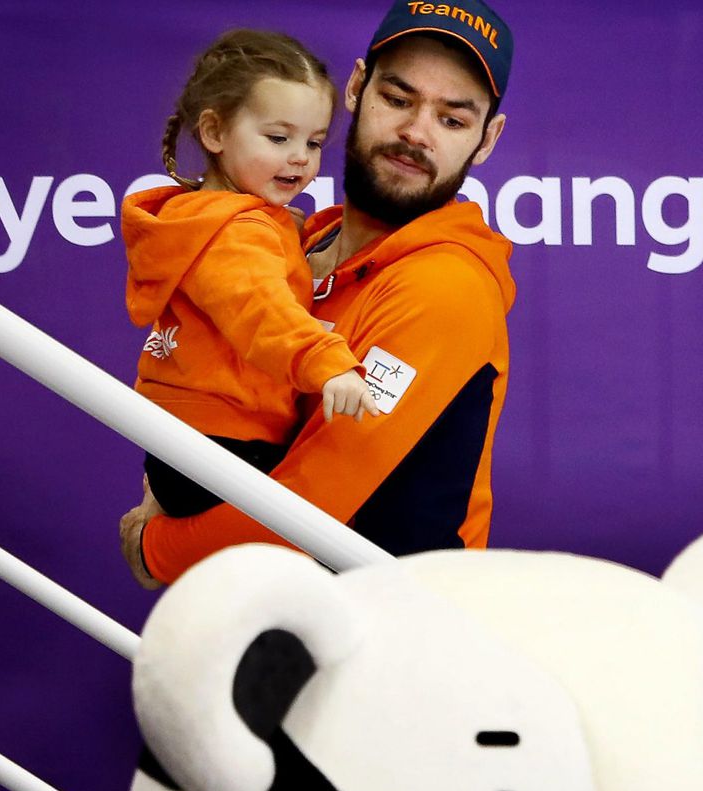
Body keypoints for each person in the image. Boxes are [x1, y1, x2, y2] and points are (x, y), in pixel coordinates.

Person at [121, 0, 515, 587]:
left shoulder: (445, 287)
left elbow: (315, 500)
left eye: (453, 120)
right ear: (357, 86)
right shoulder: (294, 242)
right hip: (287, 618)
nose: (415, 133)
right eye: (398, 99)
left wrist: (159, 549)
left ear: (487, 140)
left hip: (393, 642)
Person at [123, 29, 380, 525]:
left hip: (189, 439)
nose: (300, 157)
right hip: (225, 444)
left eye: (314, 142)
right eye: (278, 138)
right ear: (215, 133)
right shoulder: (238, 231)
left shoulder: (217, 219)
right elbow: (260, 311)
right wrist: (326, 360)